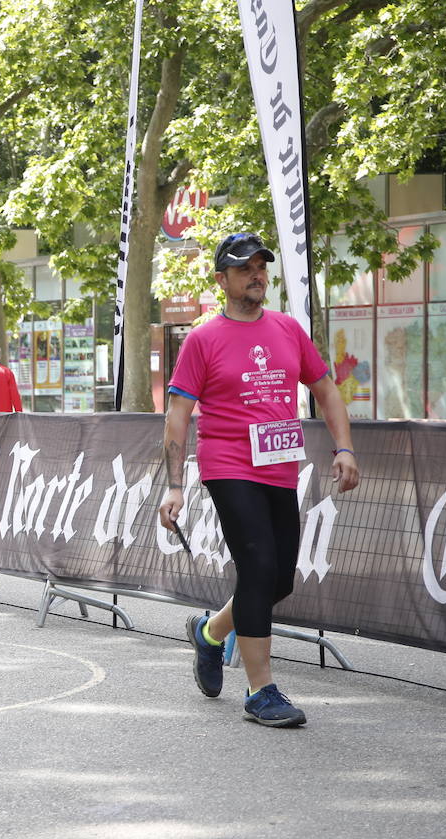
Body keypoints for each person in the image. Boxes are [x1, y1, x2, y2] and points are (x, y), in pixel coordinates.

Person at [158, 232, 360, 728]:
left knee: (278, 581)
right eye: (244, 268)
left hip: (280, 467)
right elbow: (177, 417)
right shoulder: (203, 339)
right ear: (221, 279)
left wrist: (345, 447)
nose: (257, 275)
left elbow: (326, 391)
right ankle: (260, 691)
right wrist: (175, 485)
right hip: (227, 466)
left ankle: (208, 633)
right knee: (257, 564)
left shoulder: (288, 329)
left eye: (261, 267)